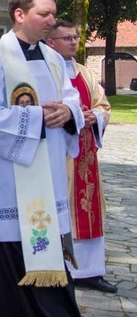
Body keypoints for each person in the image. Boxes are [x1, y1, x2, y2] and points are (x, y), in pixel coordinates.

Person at [0, 0, 97, 317]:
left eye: (53, 14)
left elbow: (72, 97)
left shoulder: (55, 58)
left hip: (49, 175)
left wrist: (69, 113)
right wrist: (39, 118)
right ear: (20, 14)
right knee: (10, 253)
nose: (50, 21)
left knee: (47, 252)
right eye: (44, 14)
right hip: (11, 177)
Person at [46, 20, 116, 294]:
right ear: (51, 42)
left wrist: (94, 116)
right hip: (60, 155)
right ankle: (60, 267)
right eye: (66, 38)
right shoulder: (45, 72)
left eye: (75, 37)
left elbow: (103, 105)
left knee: (89, 209)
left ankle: (89, 270)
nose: (74, 42)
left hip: (85, 154)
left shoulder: (84, 73)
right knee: (62, 210)